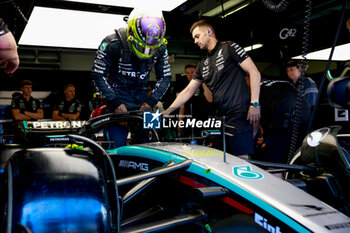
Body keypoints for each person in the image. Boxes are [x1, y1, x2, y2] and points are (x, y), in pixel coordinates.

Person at [163, 20, 261, 158]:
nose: (195, 41)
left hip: (239, 113)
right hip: (220, 117)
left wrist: (254, 103)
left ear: (209, 32)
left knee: (241, 163)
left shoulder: (229, 47)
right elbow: (188, 91)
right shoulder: (203, 64)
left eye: (197, 36)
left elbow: (254, 72)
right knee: (223, 162)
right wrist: (168, 111)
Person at [91, 8, 171, 148]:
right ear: (131, 34)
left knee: (155, 145)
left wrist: (150, 102)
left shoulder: (161, 47)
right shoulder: (112, 43)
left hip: (144, 102)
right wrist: (115, 103)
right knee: (117, 147)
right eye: (142, 46)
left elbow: (165, 77)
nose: (146, 52)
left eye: (150, 48)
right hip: (117, 101)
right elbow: (97, 75)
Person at [255, 79, 310, 164]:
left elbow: (255, 122)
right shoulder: (270, 85)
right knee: (294, 155)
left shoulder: (252, 92)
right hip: (303, 111)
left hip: (284, 115)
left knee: (274, 160)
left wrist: (264, 140)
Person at [178, 63, 213, 138]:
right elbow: (182, 107)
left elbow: (210, 99)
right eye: (187, 73)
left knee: (202, 144)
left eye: (192, 72)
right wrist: (180, 122)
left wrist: (202, 82)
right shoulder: (185, 87)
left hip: (202, 121)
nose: (190, 75)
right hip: (188, 122)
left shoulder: (204, 84)